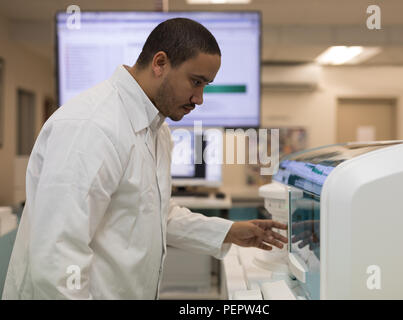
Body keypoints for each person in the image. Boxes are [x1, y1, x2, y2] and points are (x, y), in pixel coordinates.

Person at [2, 18, 287, 300]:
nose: (199, 98)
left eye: (206, 86)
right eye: (196, 82)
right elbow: (57, 261)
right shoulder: (92, 127)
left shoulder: (157, 130)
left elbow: (155, 214)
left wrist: (229, 231)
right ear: (160, 63)